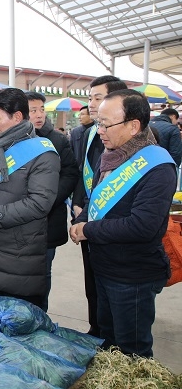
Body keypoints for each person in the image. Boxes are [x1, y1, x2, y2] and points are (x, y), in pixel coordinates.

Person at [69, 89, 176, 358]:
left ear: (133, 126)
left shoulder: (157, 166)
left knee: (133, 351)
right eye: (98, 123)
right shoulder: (109, 156)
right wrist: (81, 219)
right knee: (108, 338)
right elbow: (96, 201)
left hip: (132, 276)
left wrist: (87, 229)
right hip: (104, 268)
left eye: (106, 124)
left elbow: (143, 226)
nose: (100, 130)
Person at [0, 88, 60, 308]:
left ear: (18, 117)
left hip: (22, 247)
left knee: (22, 317)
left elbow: (40, 202)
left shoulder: (43, 153)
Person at [71, 75, 128, 337]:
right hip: (86, 218)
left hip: (111, 225)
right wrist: (78, 205)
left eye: (97, 98)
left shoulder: (133, 142)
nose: (91, 104)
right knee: (92, 281)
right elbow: (85, 171)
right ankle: (96, 329)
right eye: (90, 98)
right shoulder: (89, 133)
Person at [26, 91, 79, 312]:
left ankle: (40, 315)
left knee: (42, 272)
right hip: (18, 221)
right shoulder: (13, 140)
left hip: (48, 219)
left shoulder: (56, 139)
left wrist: (48, 199)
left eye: (41, 110)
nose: (39, 115)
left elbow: (70, 174)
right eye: (32, 111)